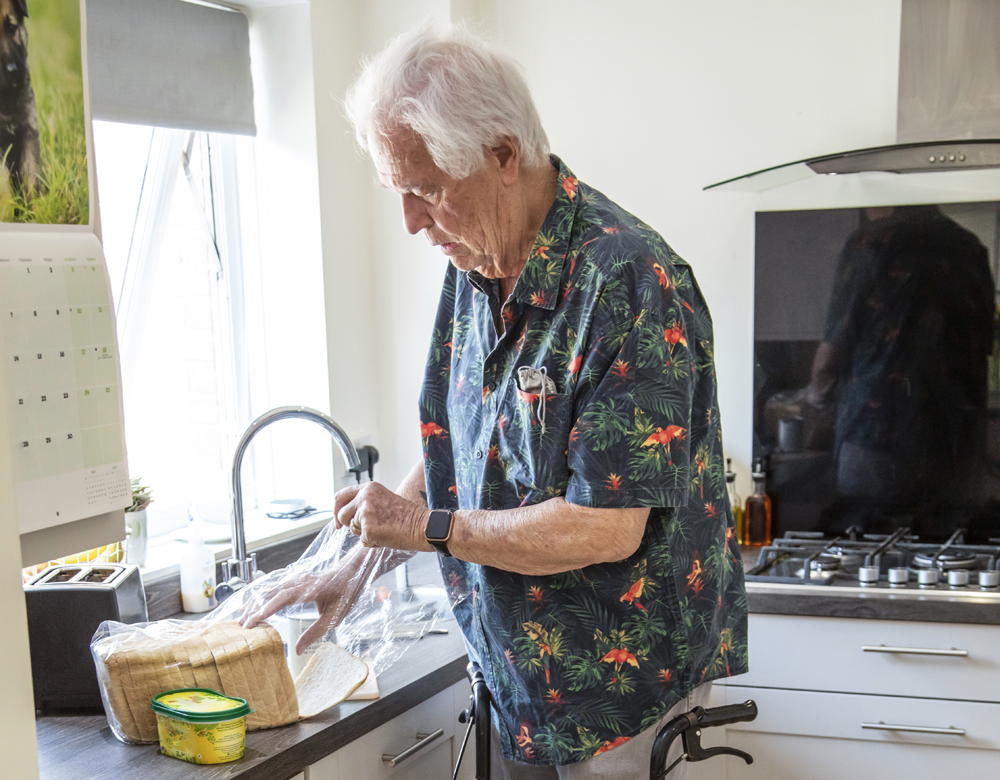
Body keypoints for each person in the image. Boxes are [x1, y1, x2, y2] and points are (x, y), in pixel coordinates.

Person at [243, 24, 747, 779]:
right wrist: (354, 567)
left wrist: (423, 527)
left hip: (618, 697)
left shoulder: (630, 284)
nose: (411, 221)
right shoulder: (476, 261)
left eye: (426, 190)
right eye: (399, 193)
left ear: (504, 156)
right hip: (520, 681)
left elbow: (604, 527)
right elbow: (461, 442)